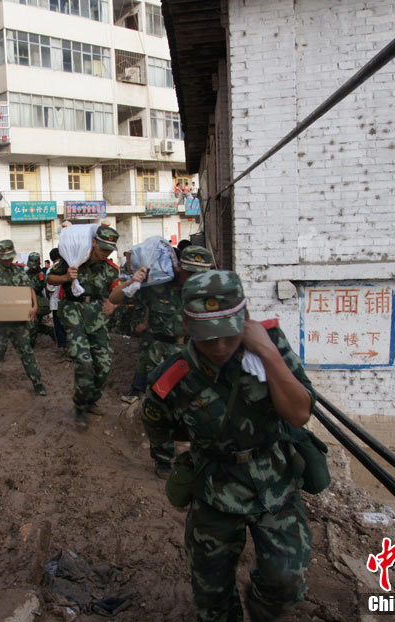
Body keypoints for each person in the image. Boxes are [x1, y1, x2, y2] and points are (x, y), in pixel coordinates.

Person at [142, 270, 315, 622]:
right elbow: (158, 425)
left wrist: (267, 352)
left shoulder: (270, 344)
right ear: (187, 326)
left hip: (274, 482)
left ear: (245, 318)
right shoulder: (174, 376)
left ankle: (261, 609)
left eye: (229, 335)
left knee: (286, 583)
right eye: (208, 338)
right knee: (212, 596)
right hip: (214, 489)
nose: (220, 347)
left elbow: (299, 414)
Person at [110, 246, 214, 474]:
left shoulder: (210, 292)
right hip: (160, 355)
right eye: (189, 272)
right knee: (160, 408)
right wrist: (132, 281)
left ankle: (198, 458)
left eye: (200, 273)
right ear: (179, 267)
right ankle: (163, 460)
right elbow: (114, 298)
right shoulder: (157, 286)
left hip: (195, 355)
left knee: (199, 408)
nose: (194, 278)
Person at [46, 225, 121, 429]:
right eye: (103, 248)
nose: (106, 253)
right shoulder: (75, 259)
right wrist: (65, 278)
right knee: (84, 361)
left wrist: (114, 304)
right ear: (94, 243)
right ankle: (80, 406)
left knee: (104, 365)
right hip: (74, 312)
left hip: (97, 316)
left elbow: (117, 291)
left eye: (109, 250)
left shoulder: (110, 268)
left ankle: (91, 400)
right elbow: (50, 278)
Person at [0, 240, 46, 395]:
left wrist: (35, 306)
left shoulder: (19, 271)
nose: (8, 261)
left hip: (19, 322)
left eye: (10, 257)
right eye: (5, 258)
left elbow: (29, 288)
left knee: (27, 352)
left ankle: (38, 383)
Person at [26, 252, 55, 348]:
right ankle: (50, 331)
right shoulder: (26, 273)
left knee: (33, 324)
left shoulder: (41, 275)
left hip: (37, 302)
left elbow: (37, 288)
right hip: (26, 301)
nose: (33, 268)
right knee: (33, 324)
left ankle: (30, 346)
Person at [47, 248, 68, 351]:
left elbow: (50, 288)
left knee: (59, 326)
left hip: (56, 302)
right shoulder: (68, 266)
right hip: (69, 302)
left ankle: (63, 347)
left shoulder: (51, 270)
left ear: (52, 259)